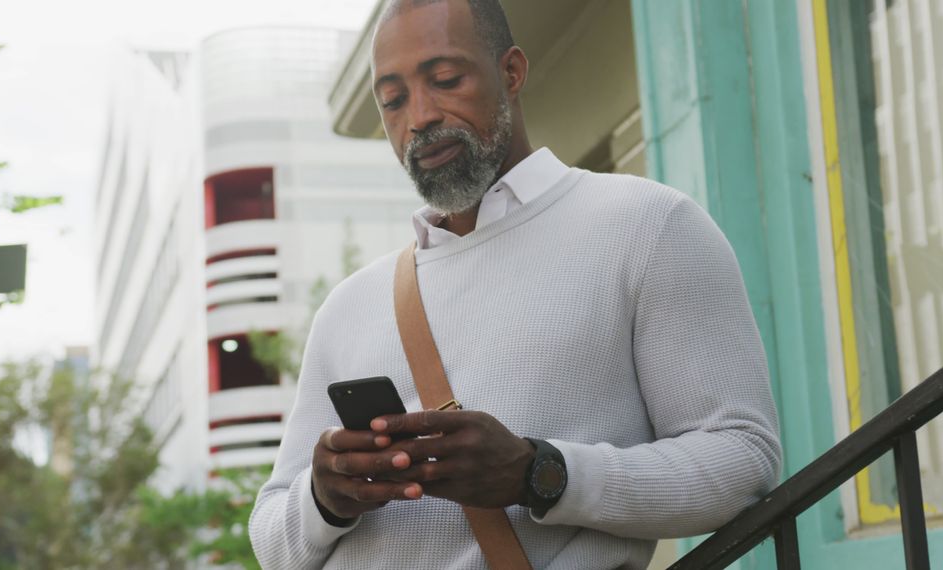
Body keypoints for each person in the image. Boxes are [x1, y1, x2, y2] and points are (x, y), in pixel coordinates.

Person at [249, 0, 781, 568]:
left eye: (446, 80)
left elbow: (742, 459)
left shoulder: (646, 226)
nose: (420, 116)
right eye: (393, 100)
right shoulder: (349, 306)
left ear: (511, 72)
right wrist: (325, 497)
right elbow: (273, 542)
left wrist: (540, 473)